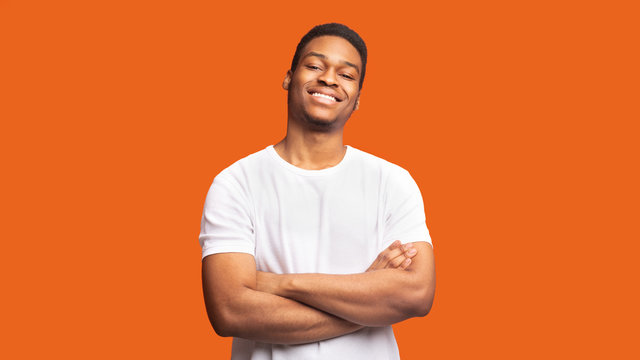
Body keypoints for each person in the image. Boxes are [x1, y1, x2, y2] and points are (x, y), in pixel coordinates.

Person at [199, 23, 435, 360]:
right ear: (288, 77)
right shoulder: (236, 183)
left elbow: (417, 294)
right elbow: (230, 311)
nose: (329, 79)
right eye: (314, 66)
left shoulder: (392, 182)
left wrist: (278, 284)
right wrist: (367, 297)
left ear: (357, 99)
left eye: (347, 74)